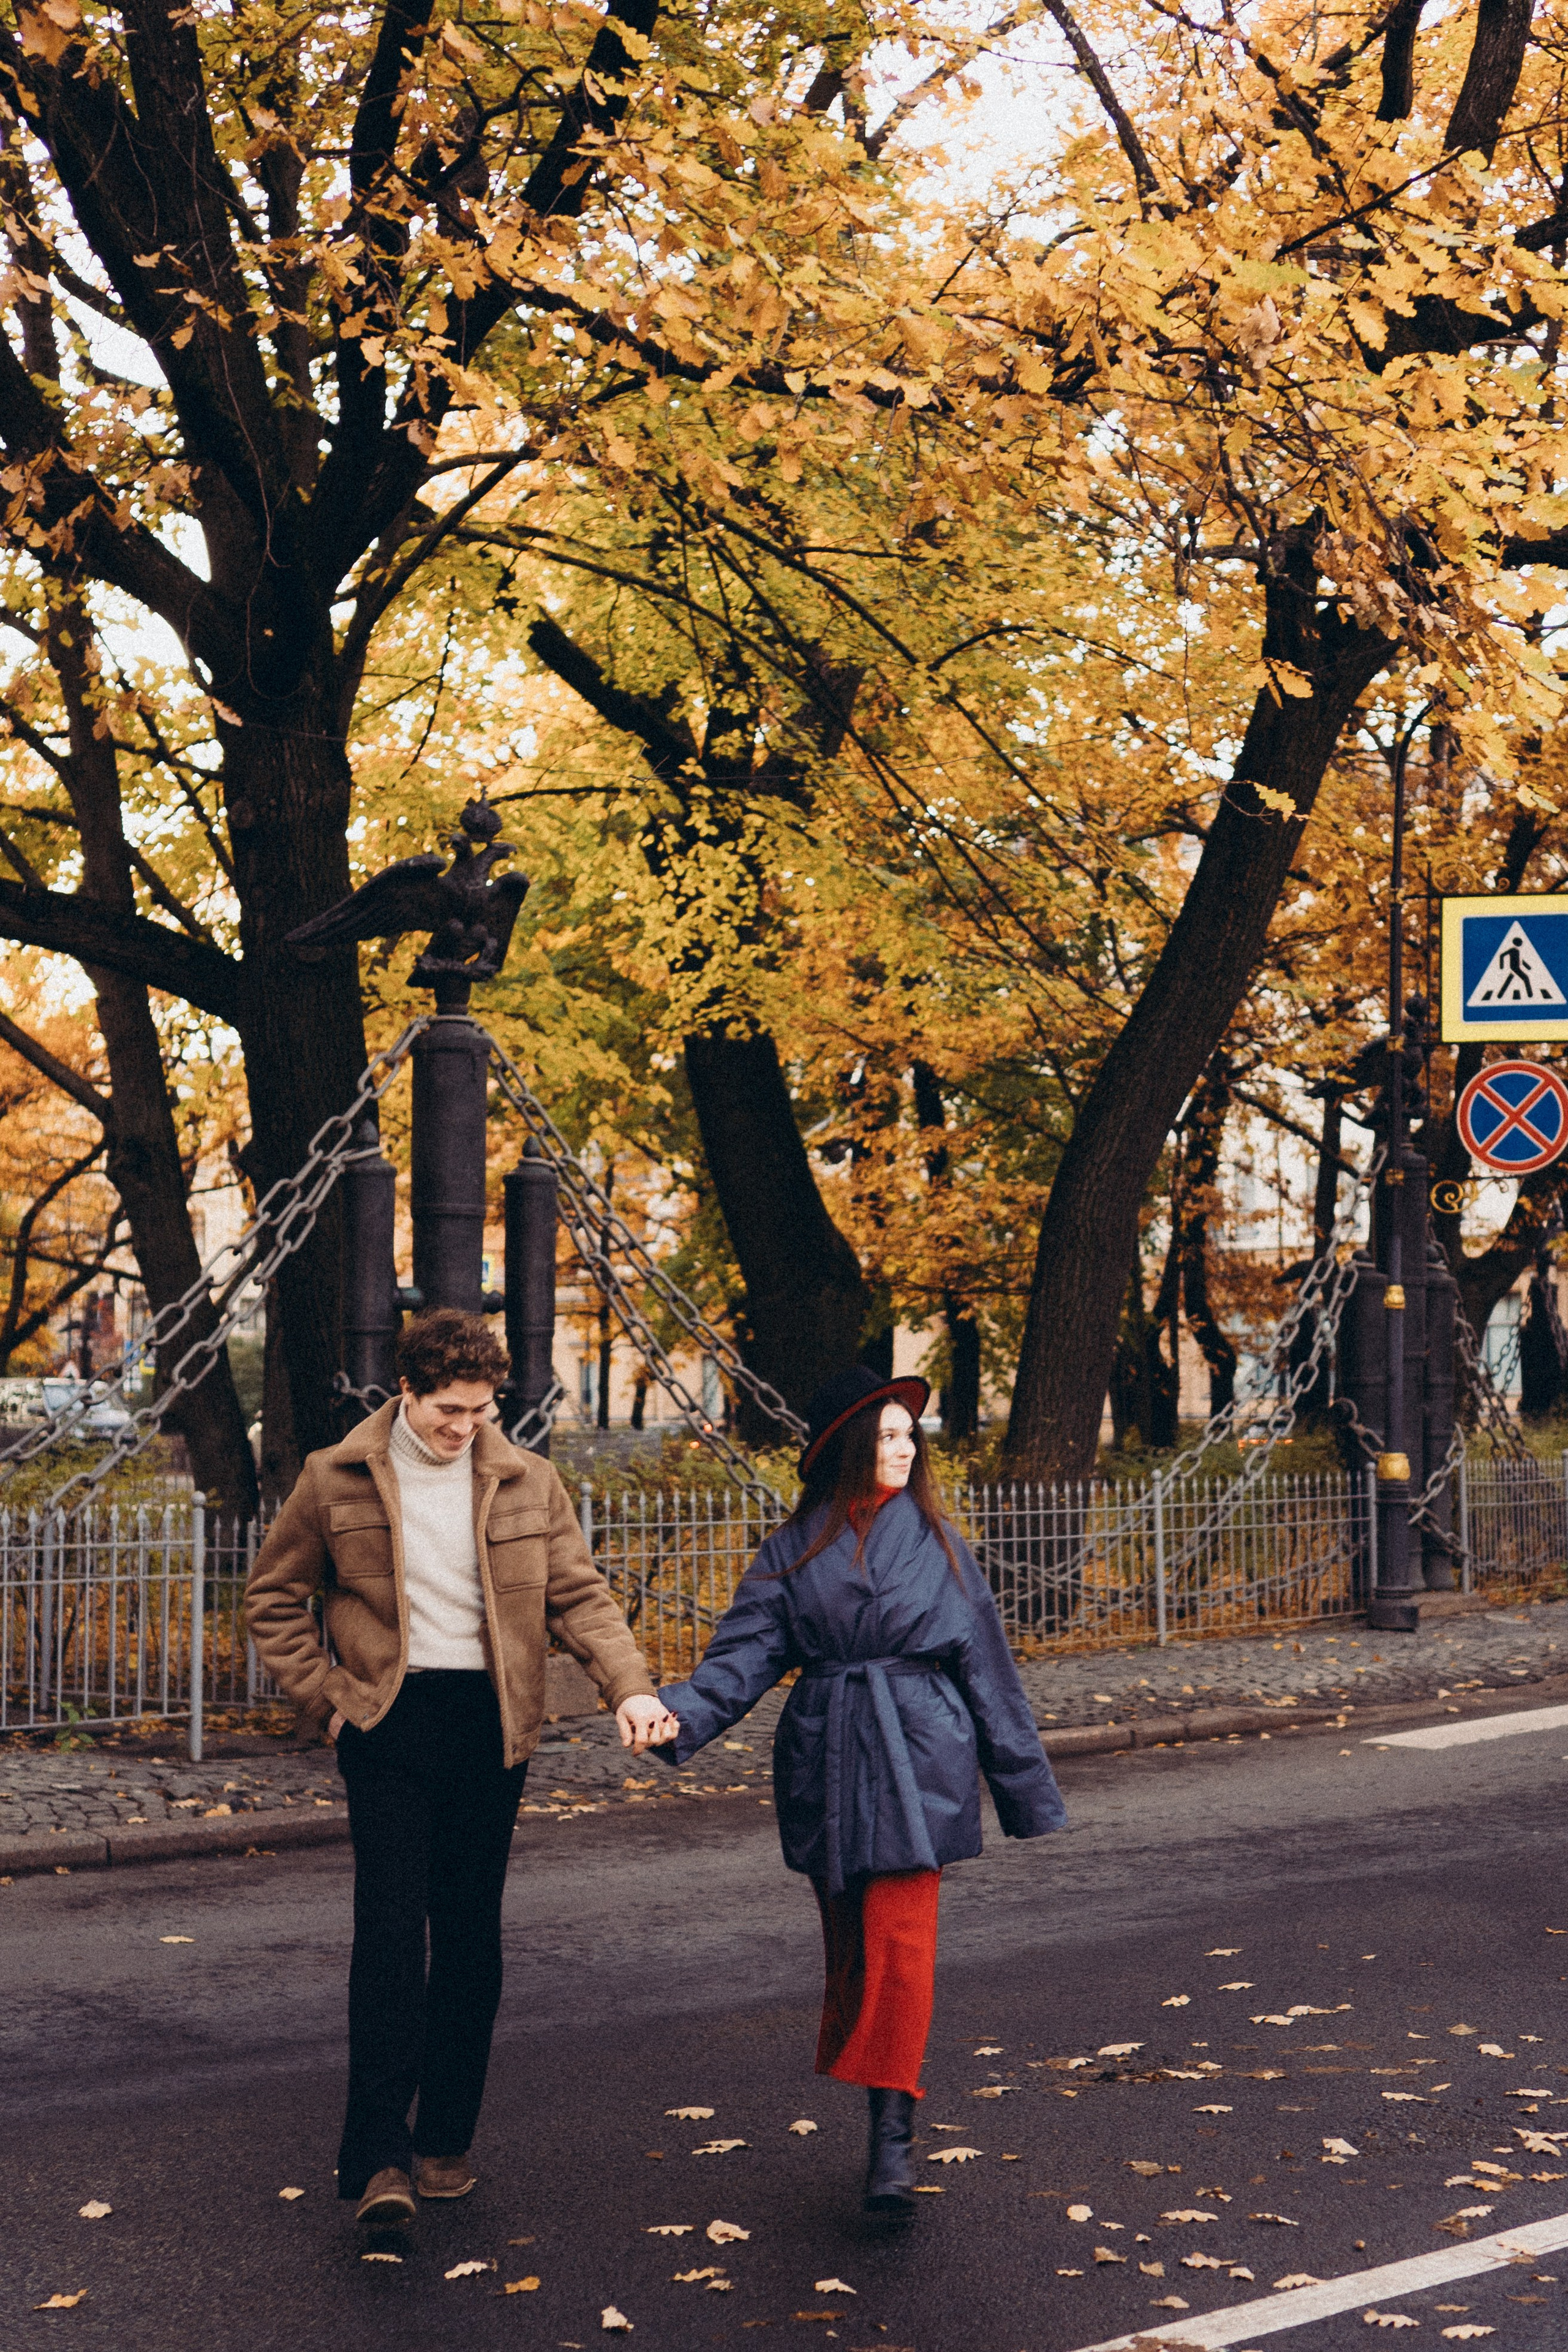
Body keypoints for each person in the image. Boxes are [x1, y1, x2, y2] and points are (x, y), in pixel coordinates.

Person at [245, 1308, 677, 2231]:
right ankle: (377, 2161)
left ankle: (444, 2143)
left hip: (493, 1728)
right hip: (390, 1724)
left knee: (471, 1939)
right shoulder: (336, 1478)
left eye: (480, 1410)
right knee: (393, 1939)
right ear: (407, 1392)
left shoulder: (530, 1482)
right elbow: (274, 1598)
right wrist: (328, 1700)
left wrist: (630, 1688)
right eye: (448, 1409)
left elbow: (579, 1598)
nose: (464, 1428)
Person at [652, 1364, 1065, 2215]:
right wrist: (673, 1717)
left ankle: (893, 2142)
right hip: (829, 1752)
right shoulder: (792, 1550)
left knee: (903, 1947)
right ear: (845, 1447)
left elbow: (988, 1670)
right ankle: (881, 2104)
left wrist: (1026, 1792)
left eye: (910, 1434)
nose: (904, 1447)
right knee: (856, 1952)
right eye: (885, 1435)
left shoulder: (942, 1545)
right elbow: (740, 1662)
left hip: (924, 1755)